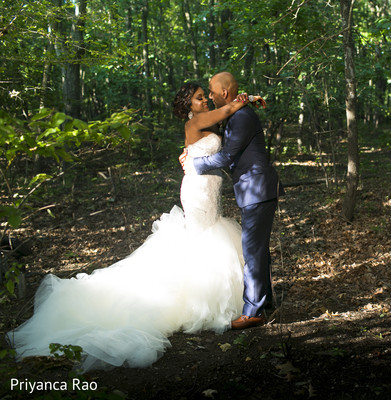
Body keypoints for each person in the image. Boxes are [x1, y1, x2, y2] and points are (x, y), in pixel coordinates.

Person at [6, 83, 264, 371]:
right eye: (199, 98)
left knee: (208, 234)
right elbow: (228, 109)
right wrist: (249, 98)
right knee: (202, 236)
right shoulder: (197, 120)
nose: (204, 101)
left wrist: (189, 154)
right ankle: (198, 300)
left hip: (208, 186)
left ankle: (214, 295)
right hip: (197, 190)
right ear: (189, 105)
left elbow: (214, 133)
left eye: (205, 97)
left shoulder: (201, 122)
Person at [180, 71, 284, 330]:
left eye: (210, 93)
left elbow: (226, 156)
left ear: (224, 94)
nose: (209, 97)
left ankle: (254, 311)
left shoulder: (241, 116)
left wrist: (194, 162)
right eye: (201, 96)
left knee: (251, 249)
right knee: (256, 248)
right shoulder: (230, 115)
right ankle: (263, 300)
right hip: (244, 189)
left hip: (256, 188)